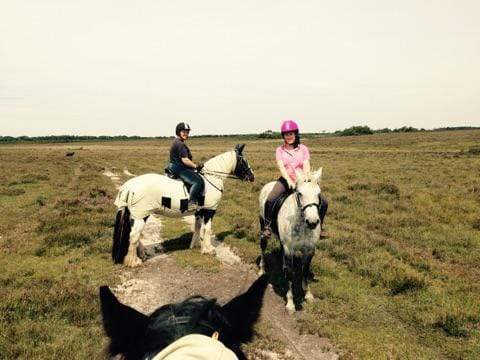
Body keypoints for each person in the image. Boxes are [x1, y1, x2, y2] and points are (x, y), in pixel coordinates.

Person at [262, 120, 328, 238]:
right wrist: (288, 180)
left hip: (302, 180)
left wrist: (306, 179)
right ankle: (267, 226)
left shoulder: (303, 148)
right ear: (283, 136)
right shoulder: (280, 150)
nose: (289, 137)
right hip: (286, 180)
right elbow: (281, 166)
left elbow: (306, 163)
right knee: (270, 199)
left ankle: (320, 227)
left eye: (291, 134)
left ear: (295, 134)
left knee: (324, 201)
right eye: (286, 134)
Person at [167, 122, 204, 206]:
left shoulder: (177, 141)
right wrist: (196, 166)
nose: (186, 134)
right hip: (179, 168)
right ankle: (191, 202)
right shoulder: (180, 144)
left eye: (187, 132)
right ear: (178, 132)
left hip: (175, 166)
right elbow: (185, 160)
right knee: (197, 182)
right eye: (184, 132)